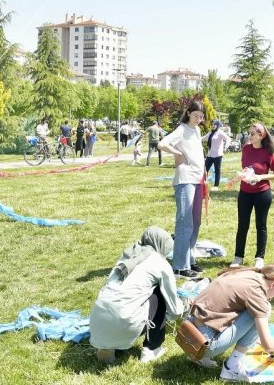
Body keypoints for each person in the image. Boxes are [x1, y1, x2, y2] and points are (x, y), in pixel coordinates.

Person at [89, 226, 184, 364]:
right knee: (160, 293)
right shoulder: (160, 262)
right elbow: (175, 310)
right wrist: (182, 308)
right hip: (126, 322)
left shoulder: (127, 254)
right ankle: (151, 349)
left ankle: (106, 348)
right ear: (161, 245)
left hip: (97, 321)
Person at [186, 264, 274, 380]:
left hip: (188, 332)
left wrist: (254, 338)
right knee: (264, 309)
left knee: (256, 310)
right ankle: (231, 367)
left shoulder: (247, 274)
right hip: (204, 344)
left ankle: (200, 358)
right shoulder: (257, 291)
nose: (271, 298)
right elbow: (267, 345)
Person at [158, 101, 206, 279]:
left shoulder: (197, 130)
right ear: (188, 113)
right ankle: (179, 266)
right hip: (185, 179)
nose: (198, 120)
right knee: (185, 223)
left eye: (201, 117)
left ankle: (190, 259)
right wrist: (178, 154)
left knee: (196, 222)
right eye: (195, 116)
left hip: (198, 179)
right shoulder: (182, 129)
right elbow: (162, 144)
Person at [231, 124, 274, 269]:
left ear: (261, 136)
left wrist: (260, 177)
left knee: (261, 226)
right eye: (249, 133)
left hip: (262, 193)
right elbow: (247, 168)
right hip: (245, 193)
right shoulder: (246, 149)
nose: (250, 136)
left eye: (253, 133)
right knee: (242, 225)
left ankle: (259, 257)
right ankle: (238, 257)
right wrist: (243, 174)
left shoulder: (268, 152)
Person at [203, 120, 231, 189]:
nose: (213, 125)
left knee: (217, 171)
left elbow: (228, 139)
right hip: (210, 155)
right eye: (212, 124)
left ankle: (216, 186)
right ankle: (202, 184)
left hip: (218, 155)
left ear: (217, 125)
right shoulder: (210, 133)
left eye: (214, 124)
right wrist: (195, 138)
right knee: (205, 169)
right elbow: (204, 138)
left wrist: (225, 147)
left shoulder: (220, 133)